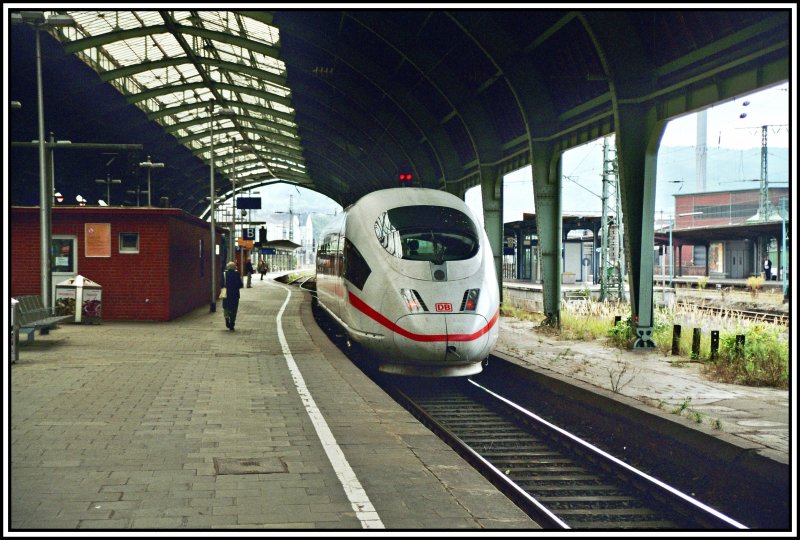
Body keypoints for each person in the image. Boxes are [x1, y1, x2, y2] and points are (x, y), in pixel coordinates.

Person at [223, 261, 243, 331]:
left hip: (226, 294)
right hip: (235, 295)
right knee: (234, 309)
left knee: (226, 307)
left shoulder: (224, 274)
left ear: (228, 267)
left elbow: (221, 284)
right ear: (234, 267)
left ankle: (227, 319)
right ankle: (232, 323)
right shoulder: (237, 274)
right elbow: (240, 285)